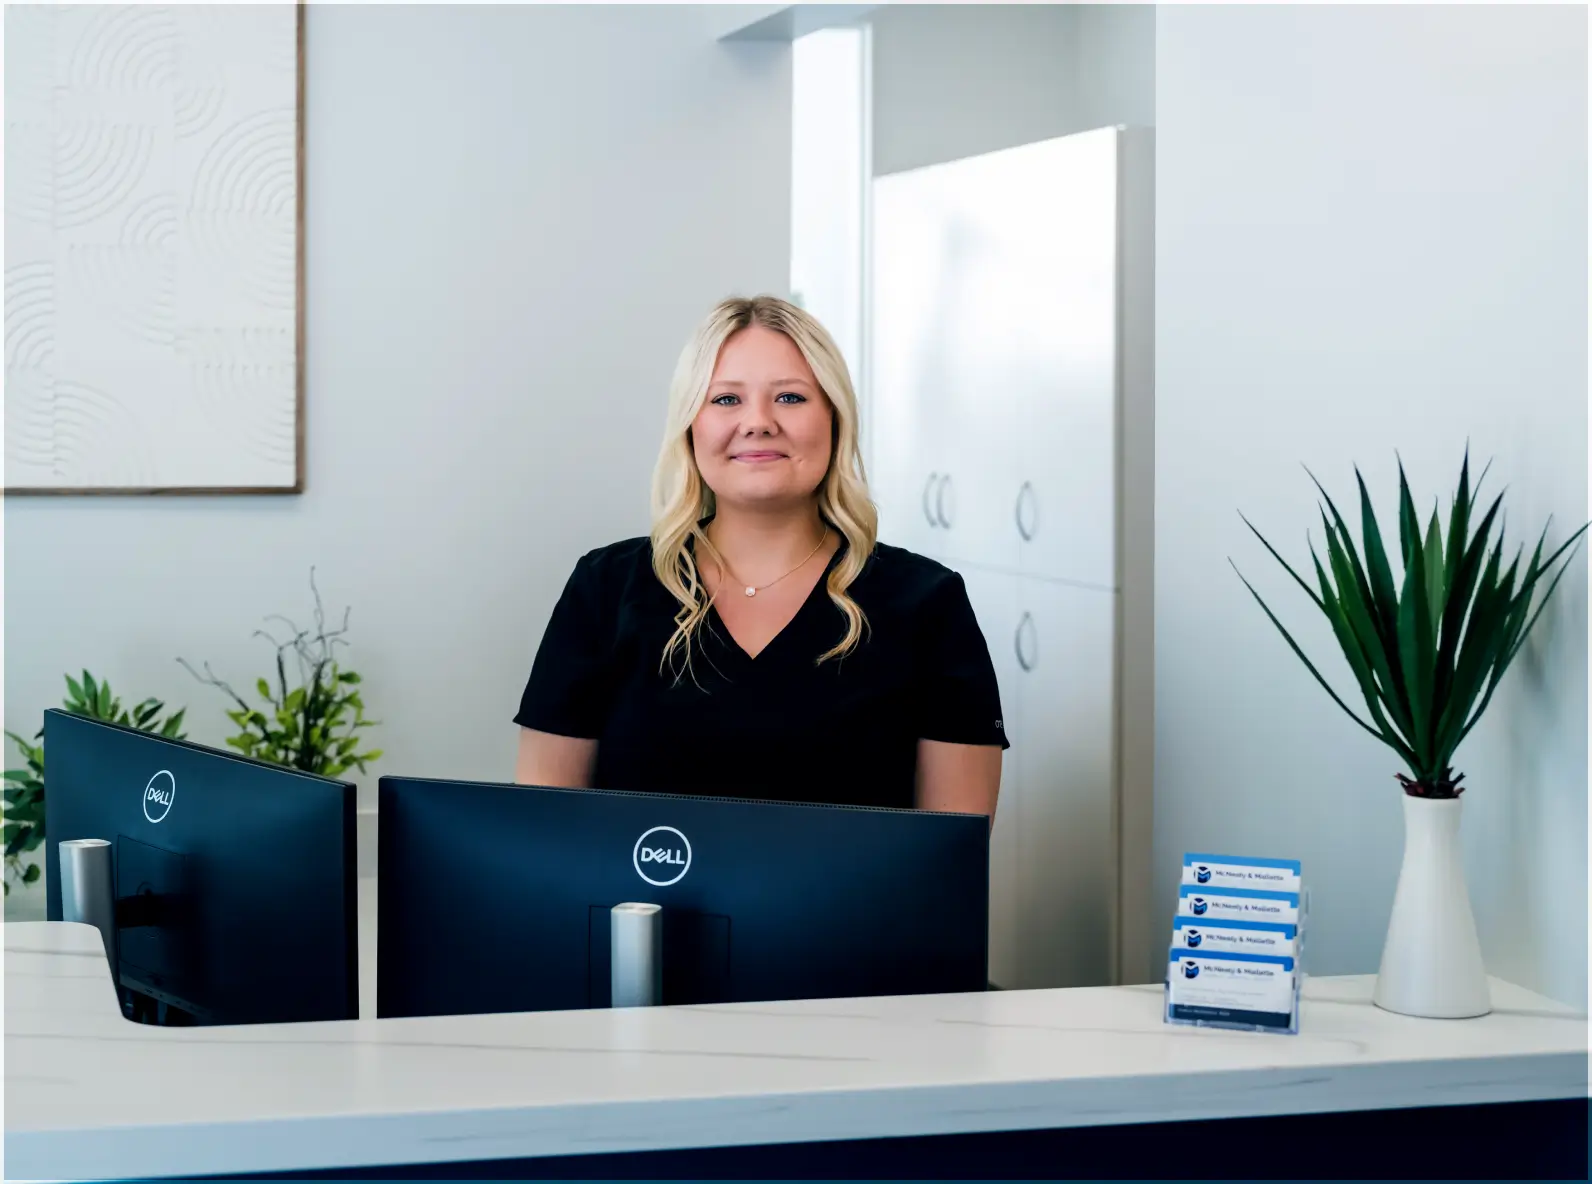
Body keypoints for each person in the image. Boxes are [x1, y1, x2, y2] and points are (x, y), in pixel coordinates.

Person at [514, 295, 1006, 818]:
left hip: (850, 906)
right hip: (644, 904)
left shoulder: (929, 603)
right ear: (690, 425)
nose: (758, 422)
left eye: (791, 398)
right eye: (726, 400)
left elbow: (951, 860)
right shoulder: (604, 588)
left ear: (835, 421)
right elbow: (548, 832)